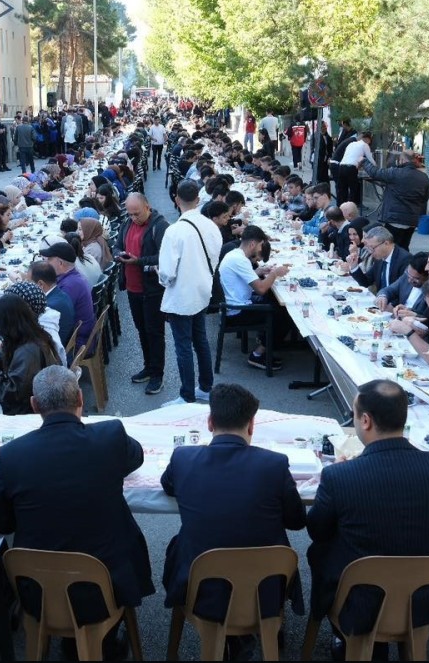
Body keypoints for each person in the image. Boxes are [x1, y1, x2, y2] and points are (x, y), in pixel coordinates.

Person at [0, 366, 154, 630]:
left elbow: (3, 523)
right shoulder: (109, 436)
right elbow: (135, 457)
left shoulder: (11, 454)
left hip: (39, 589)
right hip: (109, 582)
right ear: (80, 399)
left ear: (34, 405)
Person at [307, 380, 429, 639]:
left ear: (365, 420)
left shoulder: (339, 476)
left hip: (358, 596)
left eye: (353, 416)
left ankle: (339, 629)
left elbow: (317, 530)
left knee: (324, 548)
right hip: (423, 592)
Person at [162, 384, 306, 628]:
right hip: (264, 588)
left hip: (199, 585)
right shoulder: (274, 464)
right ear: (251, 425)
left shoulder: (183, 458)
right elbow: (297, 520)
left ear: (210, 422)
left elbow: (168, 485)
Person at [159, 180, 223, 405]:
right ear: (198, 199)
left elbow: (167, 273)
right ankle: (205, 386)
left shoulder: (174, 231)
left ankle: (187, 395)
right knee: (200, 340)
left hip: (181, 296)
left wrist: (161, 275)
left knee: (184, 346)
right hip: (203, 290)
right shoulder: (211, 226)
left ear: (176, 199)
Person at [218, 225, 294, 370]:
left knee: (274, 302)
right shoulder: (240, 260)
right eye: (260, 245)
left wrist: (260, 270)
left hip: (234, 304)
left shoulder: (236, 255)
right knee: (285, 315)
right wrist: (274, 273)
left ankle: (265, 340)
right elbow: (261, 289)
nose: (260, 249)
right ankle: (258, 355)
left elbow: (246, 277)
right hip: (237, 311)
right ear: (253, 244)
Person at [116, 193, 169, 394]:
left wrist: (137, 261)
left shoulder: (160, 226)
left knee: (154, 332)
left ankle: (158, 374)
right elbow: (118, 245)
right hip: (133, 287)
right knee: (141, 329)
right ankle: (148, 367)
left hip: (152, 289)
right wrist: (117, 254)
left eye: (137, 213)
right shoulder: (127, 223)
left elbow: (164, 257)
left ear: (147, 206)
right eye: (130, 214)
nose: (133, 218)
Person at [360, 149, 429, 250]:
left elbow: (375, 173)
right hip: (411, 220)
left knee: (391, 249)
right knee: (404, 248)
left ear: (402, 160)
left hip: (394, 219)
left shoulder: (395, 173)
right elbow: (424, 198)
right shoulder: (424, 177)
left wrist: (364, 161)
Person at [39, 241, 95, 352]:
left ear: (60, 263)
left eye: (49, 259)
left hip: (76, 343)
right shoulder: (71, 278)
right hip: (81, 335)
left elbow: (50, 313)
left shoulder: (70, 286)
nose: (46, 263)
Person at [30, 261, 76, 354]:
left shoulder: (49, 307)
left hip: (53, 354)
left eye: (28, 283)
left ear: (40, 284)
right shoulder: (60, 294)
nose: (27, 287)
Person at [347, 225, 410, 292]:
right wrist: (354, 266)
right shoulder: (380, 258)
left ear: (386, 243)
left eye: (372, 248)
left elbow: (403, 290)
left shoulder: (404, 259)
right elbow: (366, 282)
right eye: (369, 248)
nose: (370, 252)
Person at [375, 251, 429, 319]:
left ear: (428, 276)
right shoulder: (407, 275)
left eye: (416, 278)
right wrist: (382, 296)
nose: (409, 280)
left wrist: (414, 315)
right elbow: (389, 290)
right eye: (409, 275)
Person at [337, 132, 375, 206]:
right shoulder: (365, 145)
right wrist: (376, 168)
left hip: (341, 167)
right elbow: (371, 159)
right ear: (367, 139)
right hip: (351, 169)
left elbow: (350, 156)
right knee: (353, 189)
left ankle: (341, 208)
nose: (369, 145)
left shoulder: (351, 144)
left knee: (342, 190)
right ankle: (350, 208)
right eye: (369, 143)